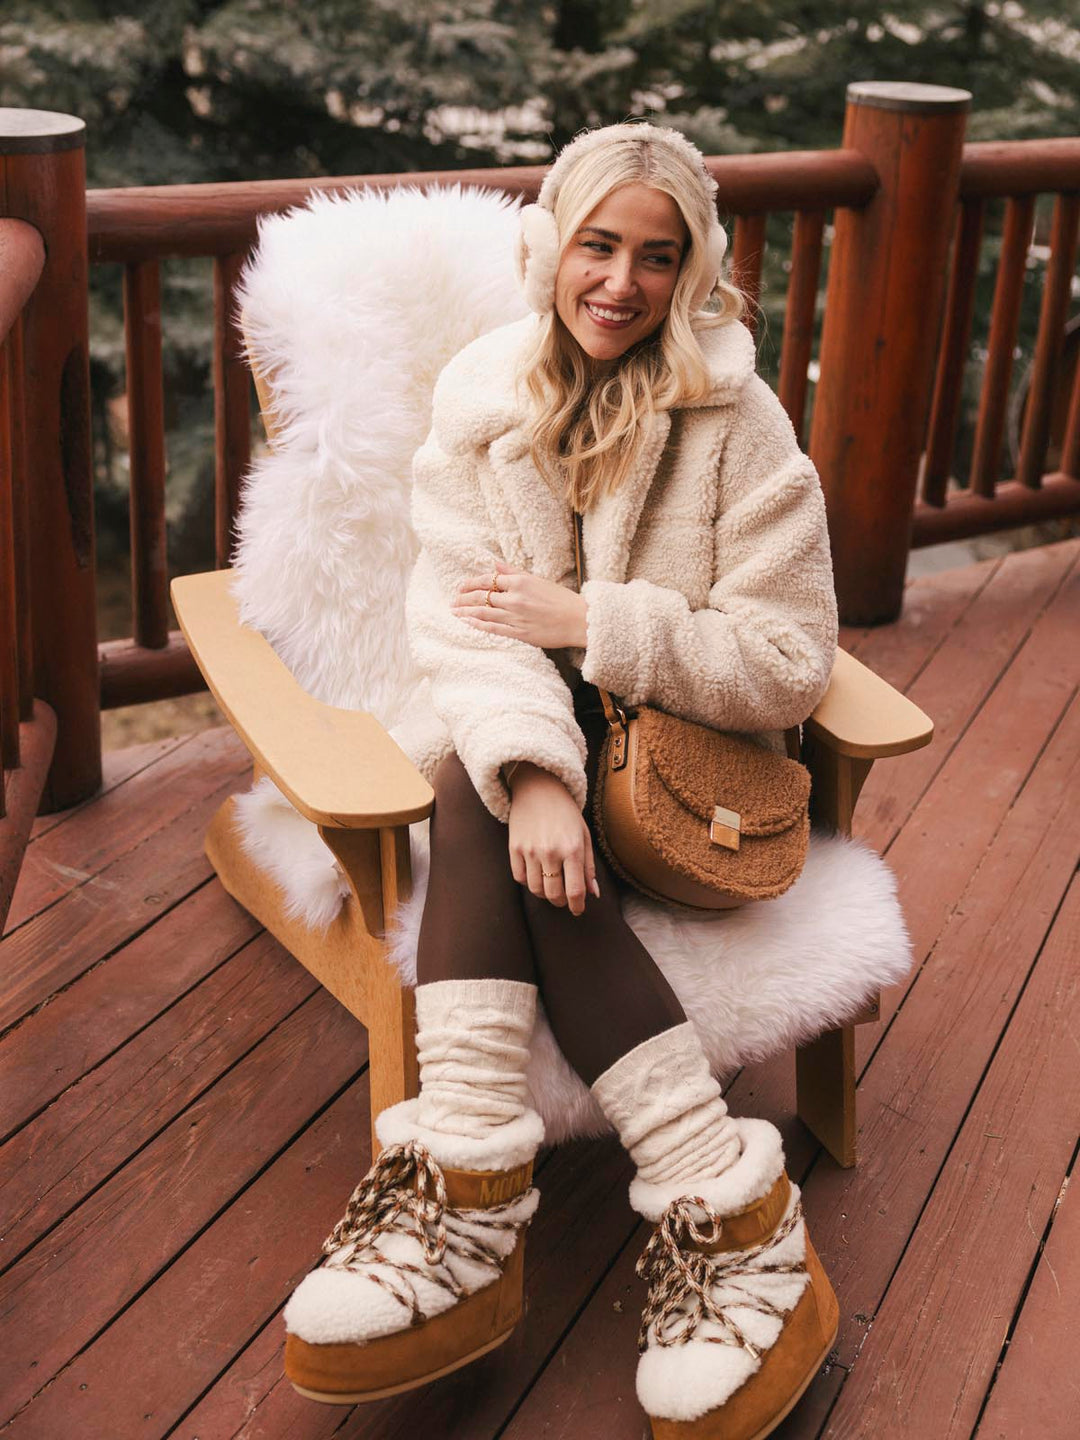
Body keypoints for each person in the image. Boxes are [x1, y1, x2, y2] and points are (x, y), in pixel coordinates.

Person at [282, 122, 840, 1440]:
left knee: (480, 789)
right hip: (536, 756)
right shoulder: (485, 402)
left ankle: (468, 1209)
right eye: (598, 244)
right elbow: (462, 629)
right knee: (475, 777)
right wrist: (535, 771)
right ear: (552, 246)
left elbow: (786, 661)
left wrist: (592, 623)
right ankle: (700, 1200)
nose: (621, 283)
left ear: (693, 271)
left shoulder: (741, 424)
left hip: (685, 782)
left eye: (658, 256)